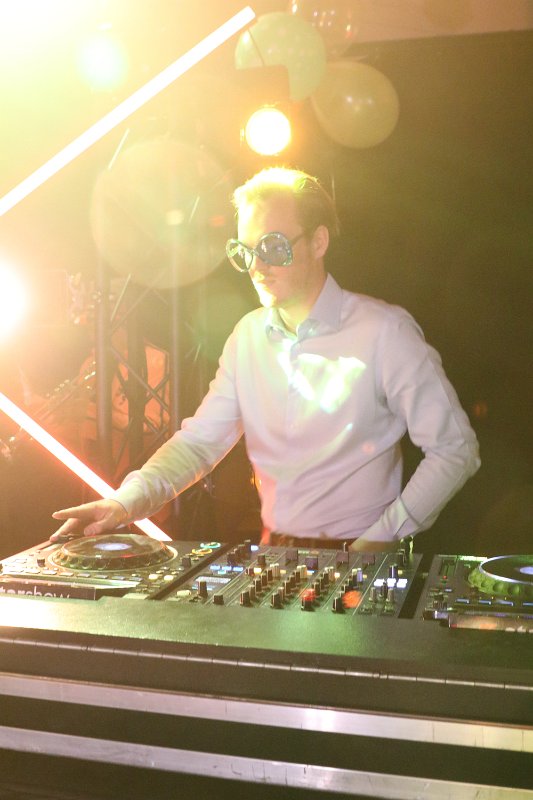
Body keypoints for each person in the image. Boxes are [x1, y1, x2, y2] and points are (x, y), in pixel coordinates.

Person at [52, 167, 480, 552]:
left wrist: (382, 537)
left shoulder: (385, 331)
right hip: (276, 554)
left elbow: (455, 450)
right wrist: (123, 503)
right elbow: (199, 444)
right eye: (245, 251)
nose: (257, 266)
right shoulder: (247, 337)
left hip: (363, 555)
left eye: (273, 247)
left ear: (318, 241)